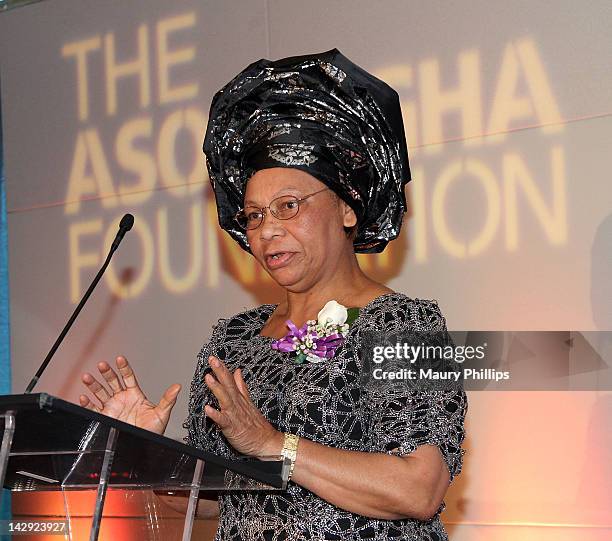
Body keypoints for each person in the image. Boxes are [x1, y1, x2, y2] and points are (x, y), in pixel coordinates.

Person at [79, 49, 467, 540]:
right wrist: (142, 453)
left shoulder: (403, 326)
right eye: (255, 215)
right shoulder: (235, 341)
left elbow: (418, 489)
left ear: (348, 208)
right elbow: (211, 505)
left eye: (288, 206)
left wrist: (273, 445)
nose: (266, 232)